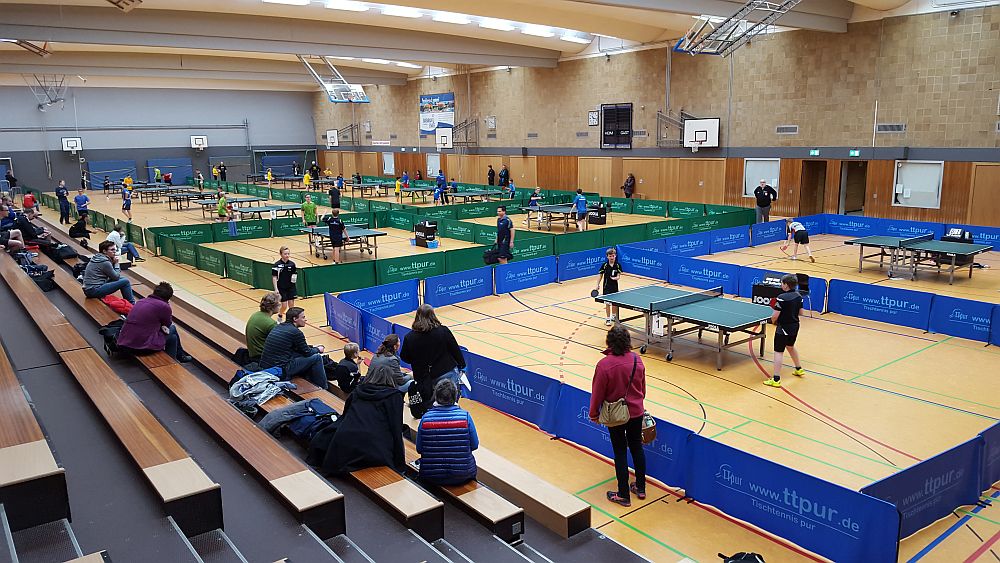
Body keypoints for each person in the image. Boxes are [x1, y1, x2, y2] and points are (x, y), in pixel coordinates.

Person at [589, 324, 646, 508]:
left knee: (620, 451)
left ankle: (623, 494)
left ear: (609, 342)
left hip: (615, 415)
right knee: (636, 447)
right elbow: (643, 389)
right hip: (636, 412)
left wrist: (594, 413)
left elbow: (597, 393)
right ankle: (640, 487)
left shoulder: (604, 365)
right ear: (628, 341)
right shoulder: (637, 360)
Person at [322, 364, 405, 474]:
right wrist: (400, 463)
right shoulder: (394, 396)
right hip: (374, 448)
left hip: (347, 442)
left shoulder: (357, 391)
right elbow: (396, 428)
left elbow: (345, 416)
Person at [399, 304, 466, 418]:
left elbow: (405, 358)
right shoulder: (443, 331)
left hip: (423, 377)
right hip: (446, 372)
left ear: (417, 317)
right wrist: (462, 365)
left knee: (429, 406)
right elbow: (455, 349)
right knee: (449, 403)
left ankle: (432, 423)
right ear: (433, 315)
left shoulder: (410, 337)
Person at [416, 378, 479, 486]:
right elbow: (474, 445)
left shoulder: (425, 419)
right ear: (456, 396)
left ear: (436, 396)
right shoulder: (466, 417)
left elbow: (419, 449)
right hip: (463, 475)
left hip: (431, 476)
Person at [116, 282, 192, 362]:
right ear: (168, 297)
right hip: (141, 347)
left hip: (125, 343)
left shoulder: (141, 301)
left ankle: (174, 359)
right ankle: (179, 357)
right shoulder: (164, 306)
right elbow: (168, 324)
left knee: (173, 338)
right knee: (173, 328)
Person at [259, 307, 328, 388]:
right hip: (282, 369)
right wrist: (318, 349)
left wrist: (311, 348)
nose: (305, 320)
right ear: (295, 319)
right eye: (303, 317)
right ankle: (323, 387)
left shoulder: (279, 326)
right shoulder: (296, 332)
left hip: (266, 366)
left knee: (300, 355)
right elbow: (307, 353)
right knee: (317, 357)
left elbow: (299, 348)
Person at [764, 274, 806, 388]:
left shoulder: (782, 297)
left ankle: (776, 379)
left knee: (778, 352)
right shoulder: (799, 295)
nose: (781, 285)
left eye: (782, 283)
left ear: (786, 285)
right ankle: (799, 369)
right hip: (795, 326)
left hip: (783, 328)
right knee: (790, 346)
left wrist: (773, 322)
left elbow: (774, 316)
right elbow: (801, 313)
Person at [245, 292, 281, 362]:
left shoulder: (255, 315)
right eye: (279, 304)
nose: (280, 305)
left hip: (253, 354)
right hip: (262, 359)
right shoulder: (270, 323)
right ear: (273, 307)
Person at [596, 248, 623, 326]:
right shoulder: (604, 265)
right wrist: (597, 284)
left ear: (615, 256)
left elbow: (618, 275)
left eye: (613, 256)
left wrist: (616, 278)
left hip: (614, 287)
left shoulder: (617, 265)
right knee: (607, 303)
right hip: (606, 287)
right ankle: (608, 319)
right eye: (610, 256)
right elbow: (600, 275)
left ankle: (613, 316)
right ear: (607, 256)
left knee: (614, 303)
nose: (612, 257)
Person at [272, 246, 297, 321]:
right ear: (281, 254)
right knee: (284, 306)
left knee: (291, 306)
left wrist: (294, 279)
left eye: (288, 254)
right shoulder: (277, 265)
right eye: (285, 254)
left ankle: (290, 320)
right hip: (281, 287)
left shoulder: (292, 264)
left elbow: (294, 274)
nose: (287, 255)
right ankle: (280, 315)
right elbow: (274, 277)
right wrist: (276, 289)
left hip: (291, 287)